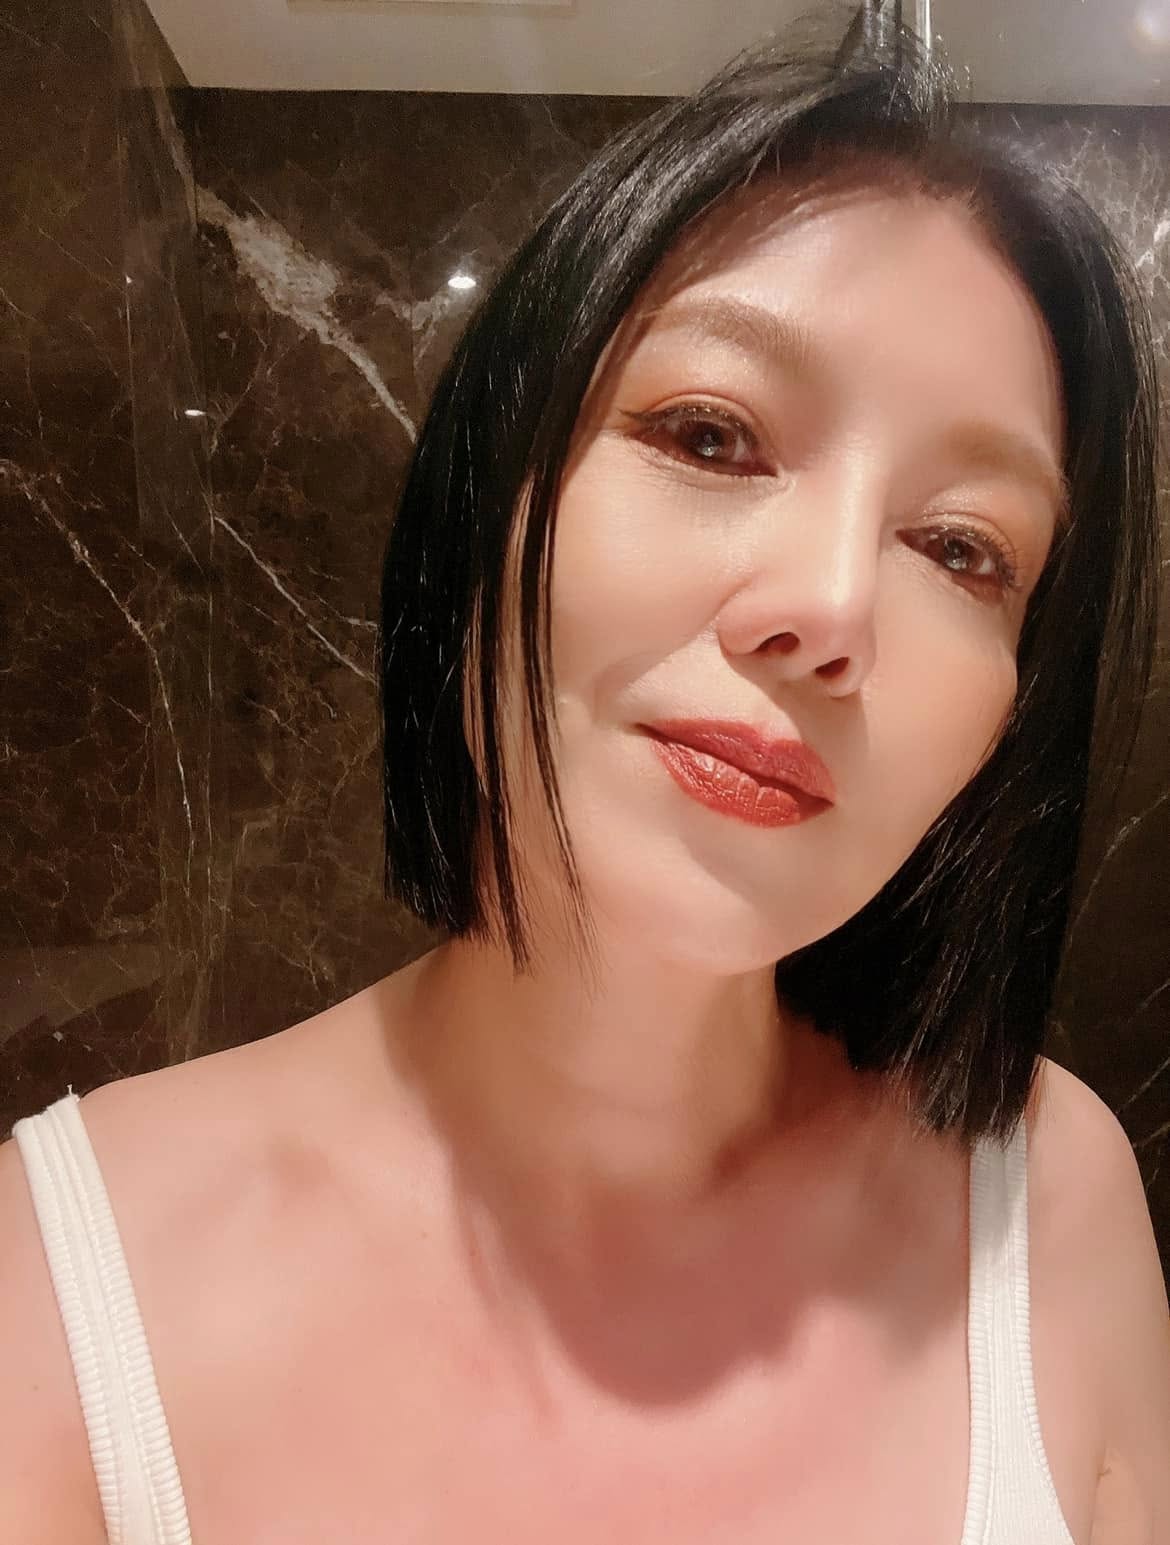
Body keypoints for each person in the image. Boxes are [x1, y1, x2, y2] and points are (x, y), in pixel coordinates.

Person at [2, 13, 1169, 1545]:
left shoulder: (1049, 1191)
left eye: (961, 546)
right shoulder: (62, 1282)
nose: (829, 608)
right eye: (710, 434)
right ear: (488, 494)